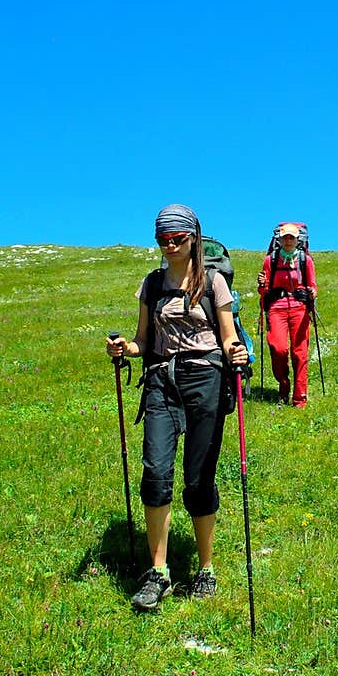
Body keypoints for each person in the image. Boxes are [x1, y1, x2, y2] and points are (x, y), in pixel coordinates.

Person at [106, 204, 249, 611]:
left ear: (193, 238)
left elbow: (226, 337)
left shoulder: (214, 282)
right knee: (155, 472)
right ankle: (158, 572)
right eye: (162, 239)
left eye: (177, 238)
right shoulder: (151, 285)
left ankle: (205, 568)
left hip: (205, 378)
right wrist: (125, 350)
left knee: (198, 479)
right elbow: (143, 341)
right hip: (160, 379)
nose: (170, 245)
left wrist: (235, 352)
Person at [257, 223, 317, 408]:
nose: (288, 241)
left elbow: (313, 287)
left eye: (292, 237)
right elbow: (263, 290)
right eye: (285, 237)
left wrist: (311, 293)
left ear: (297, 239)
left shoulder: (305, 260)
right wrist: (261, 285)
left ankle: (299, 398)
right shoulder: (271, 260)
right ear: (279, 239)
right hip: (277, 308)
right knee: (278, 348)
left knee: (300, 353)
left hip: (299, 308)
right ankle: (283, 384)